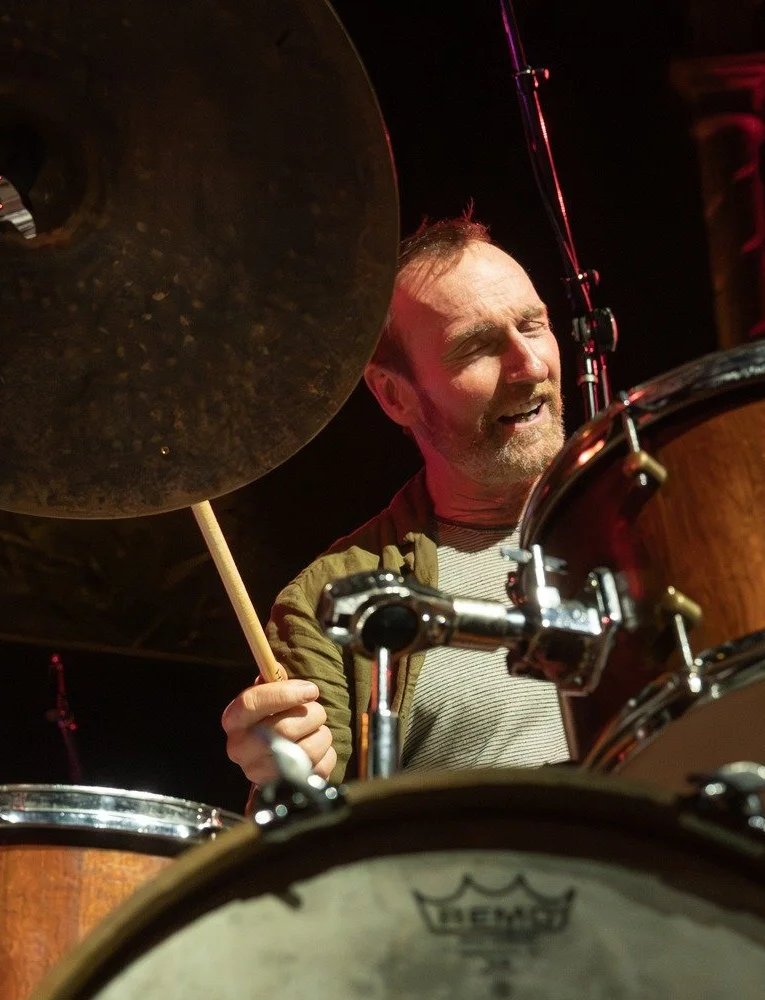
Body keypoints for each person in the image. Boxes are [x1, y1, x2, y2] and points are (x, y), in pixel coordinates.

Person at [223, 213, 573, 787]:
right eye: (477, 347)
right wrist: (287, 769)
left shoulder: (652, 509)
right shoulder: (328, 601)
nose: (530, 366)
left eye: (532, 326)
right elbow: (314, 836)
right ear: (393, 394)